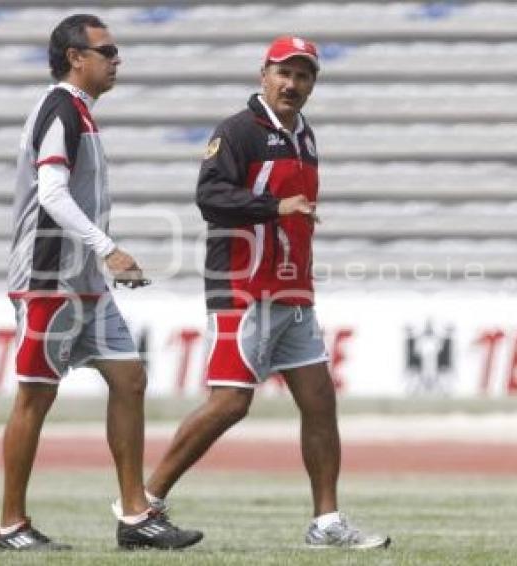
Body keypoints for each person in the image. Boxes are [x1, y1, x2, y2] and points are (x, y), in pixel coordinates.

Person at [136, 35, 390, 549]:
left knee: (319, 401)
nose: (293, 84)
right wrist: (275, 206)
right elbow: (209, 195)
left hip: (293, 290)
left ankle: (326, 522)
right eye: (284, 73)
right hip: (242, 288)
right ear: (264, 74)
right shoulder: (238, 130)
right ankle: (144, 504)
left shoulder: (304, 134)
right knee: (230, 403)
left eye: (304, 76)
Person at [0, 14, 202, 551]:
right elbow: (52, 192)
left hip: (81, 280)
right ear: (75, 58)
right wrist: (107, 248)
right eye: (107, 51)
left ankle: (136, 516)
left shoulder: (80, 113)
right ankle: (10, 526)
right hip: (47, 278)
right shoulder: (60, 106)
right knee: (36, 396)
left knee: (130, 379)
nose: (117, 59)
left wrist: (100, 258)